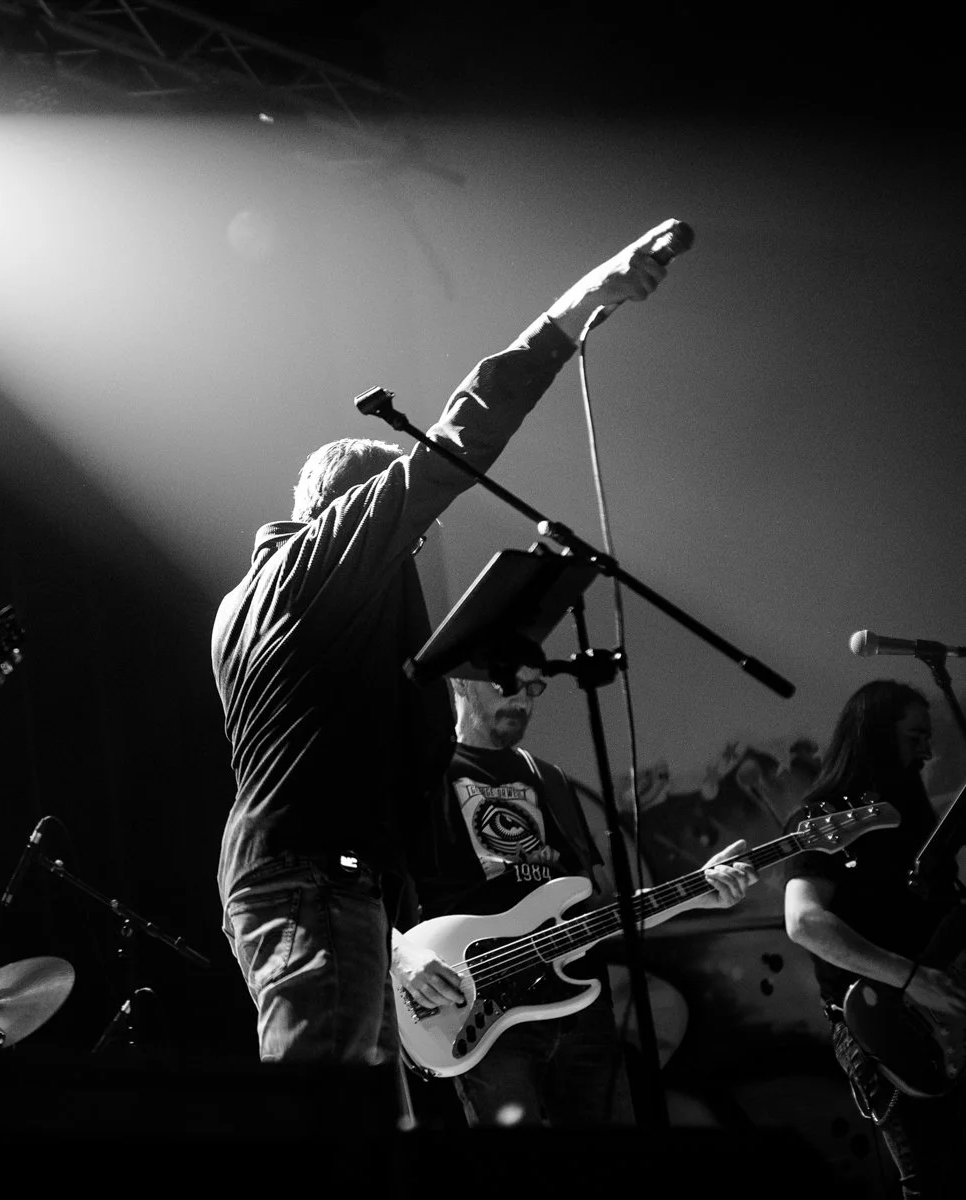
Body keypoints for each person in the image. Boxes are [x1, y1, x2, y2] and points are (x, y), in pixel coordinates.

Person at [214, 221, 688, 1064]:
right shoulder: (319, 565)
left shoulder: (244, 604)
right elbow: (453, 446)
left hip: (308, 873)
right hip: (313, 878)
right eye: (406, 538)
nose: (413, 550)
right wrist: (573, 312)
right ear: (353, 516)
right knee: (324, 1116)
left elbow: (345, 743)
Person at [397, 665, 757, 1125]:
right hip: (479, 1015)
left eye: (534, 688)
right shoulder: (422, 775)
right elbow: (366, 883)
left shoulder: (549, 778)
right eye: (509, 685)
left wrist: (696, 895)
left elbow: (591, 909)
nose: (524, 700)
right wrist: (398, 954)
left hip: (582, 1011)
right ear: (461, 682)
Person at [784, 680, 966, 1198]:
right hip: (885, 1022)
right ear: (875, 737)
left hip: (941, 1013)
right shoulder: (823, 819)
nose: (927, 751)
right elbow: (804, 922)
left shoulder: (909, 815)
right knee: (935, 1179)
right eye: (915, 737)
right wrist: (913, 979)